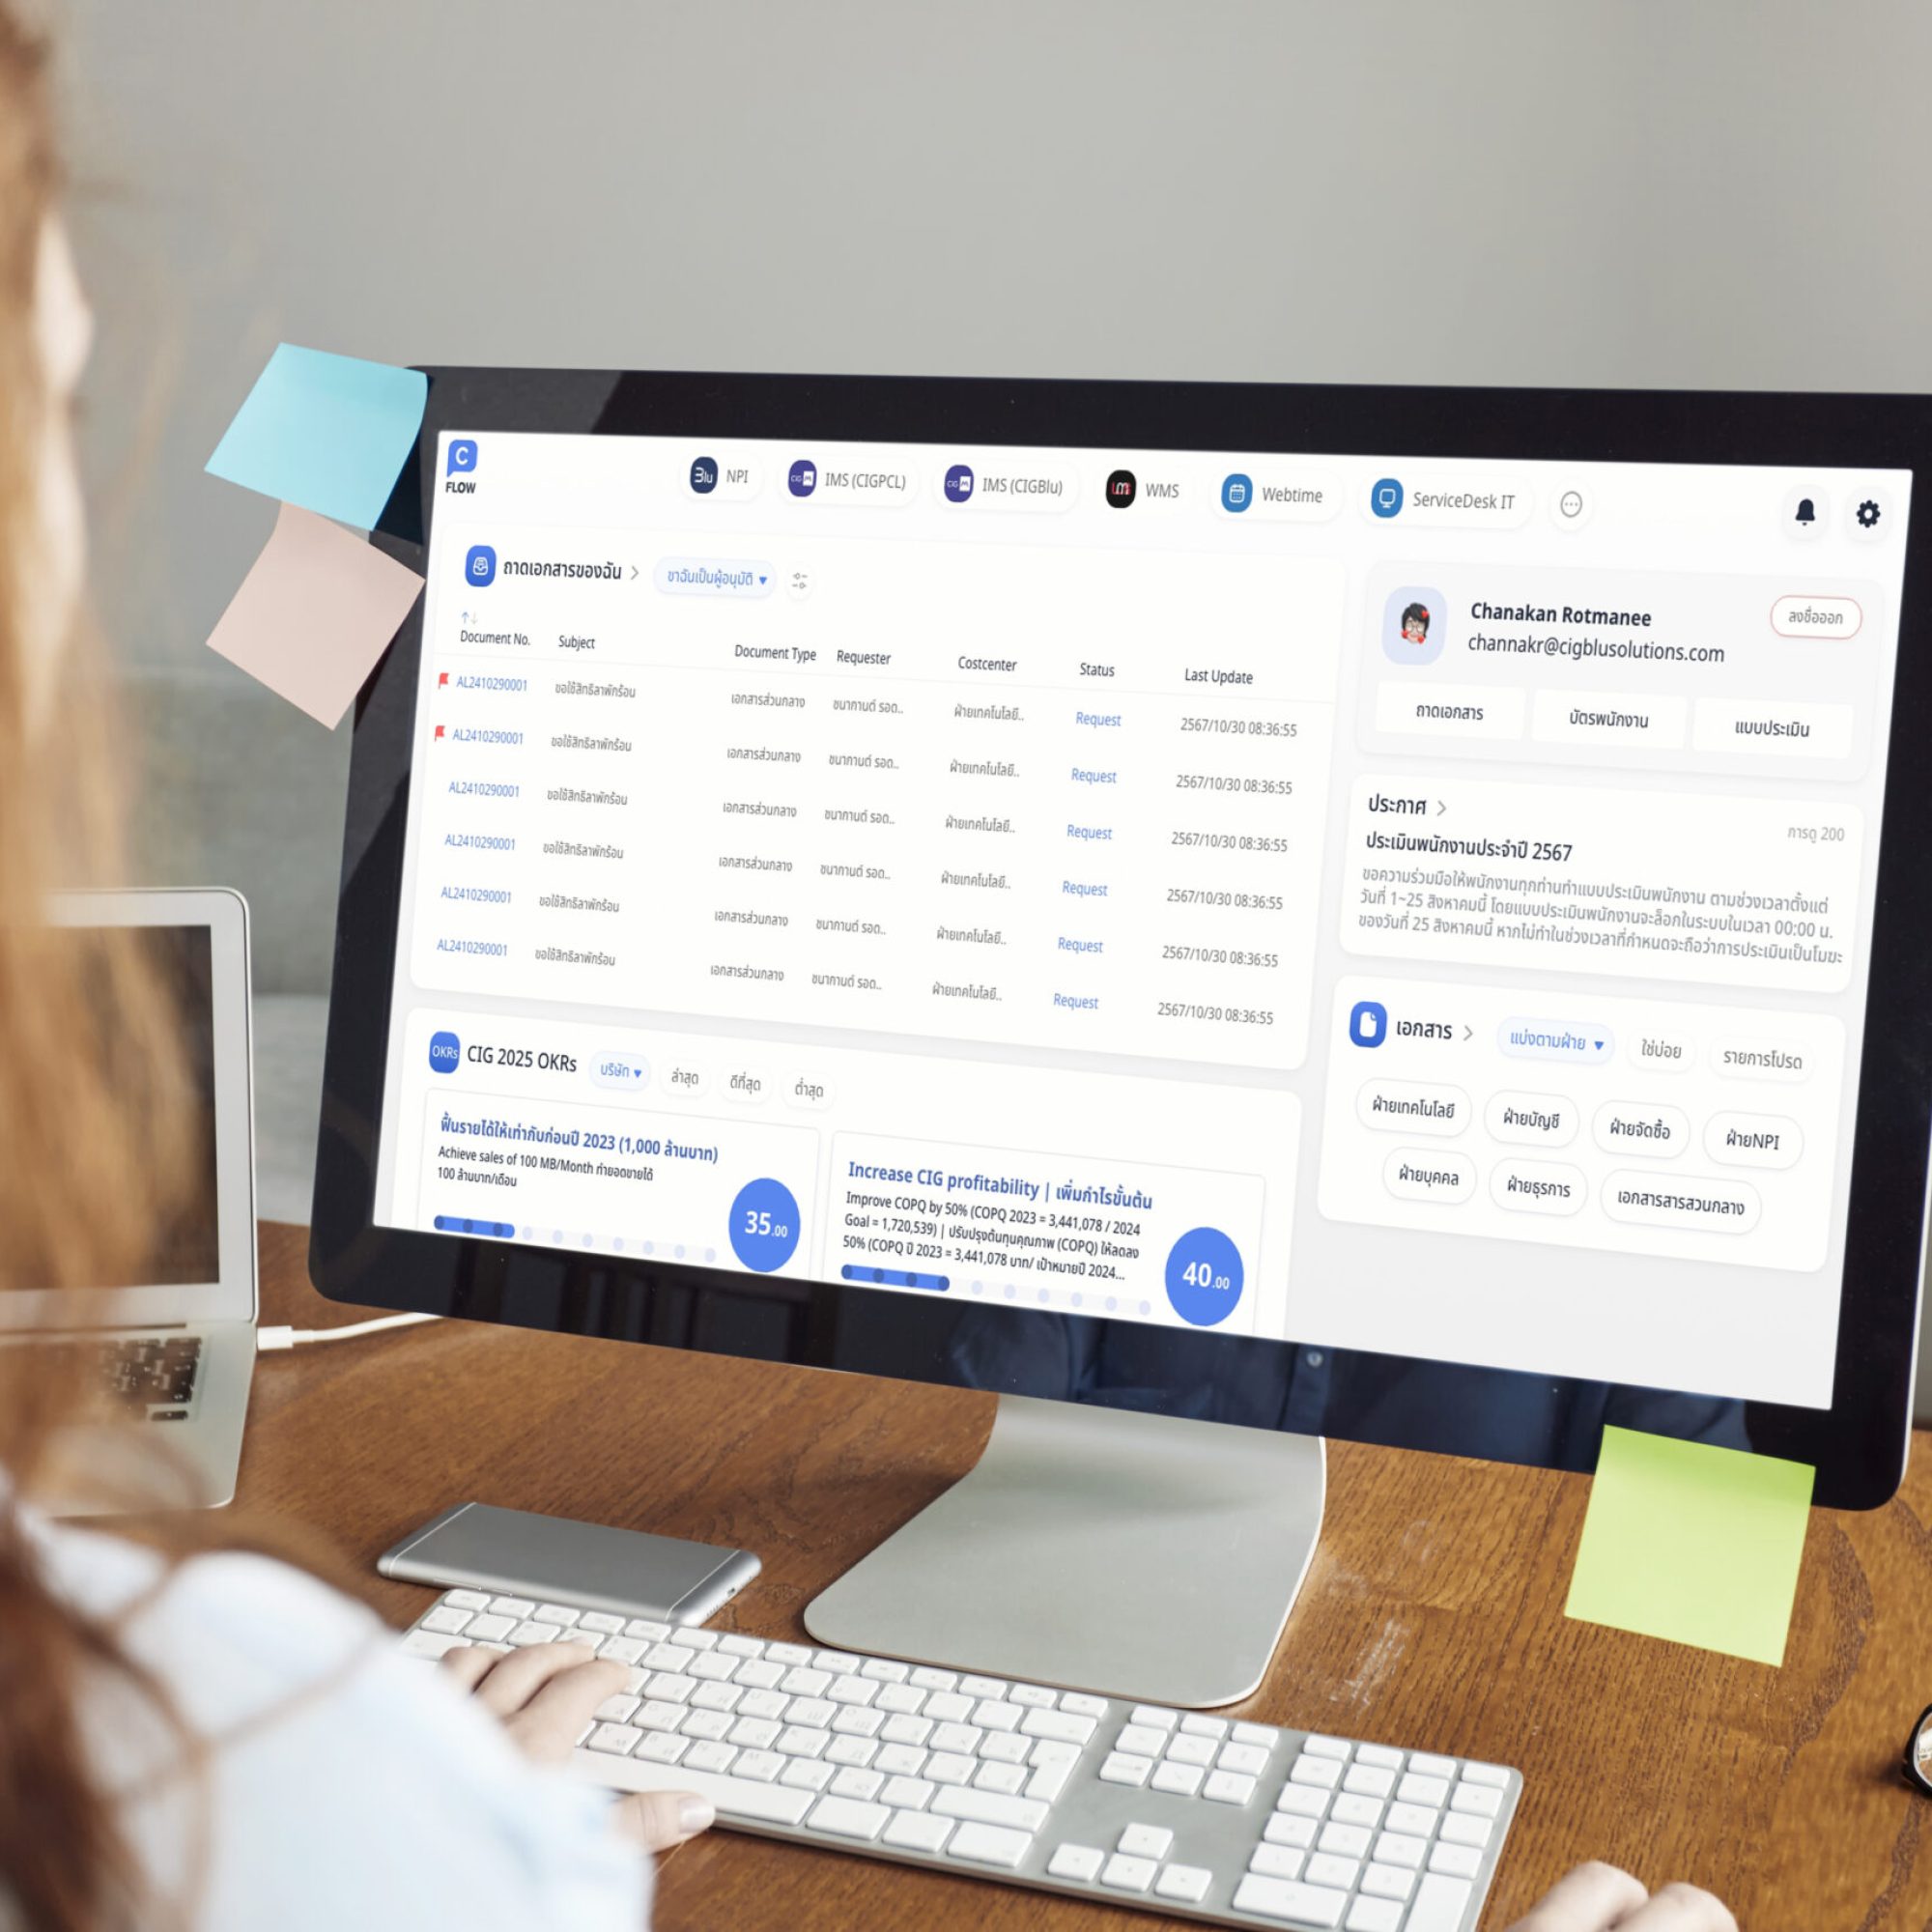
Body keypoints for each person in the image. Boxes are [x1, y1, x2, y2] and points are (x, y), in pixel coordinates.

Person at [0, 10, 1737, 1929]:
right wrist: (415, 1836)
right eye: (67, 422)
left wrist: (422, 1816)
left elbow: (1706, 1529)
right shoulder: (218, 1756)